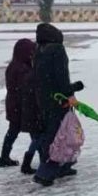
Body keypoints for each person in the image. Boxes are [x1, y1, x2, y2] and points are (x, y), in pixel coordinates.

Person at [33, 24, 84, 187]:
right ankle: (45, 173)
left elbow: (42, 78)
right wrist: (73, 89)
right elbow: (61, 77)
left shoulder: (39, 51)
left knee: (52, 134)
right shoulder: (57, 50)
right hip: (58, 101)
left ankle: (64, 166)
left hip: (42, 100)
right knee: (60, 136)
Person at [1, 39, 41, 172]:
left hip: (14, 104)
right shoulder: (22, 68)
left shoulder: (14, 65)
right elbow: (27, 87)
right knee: (34, 131)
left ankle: (4, 157)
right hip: (21, 105)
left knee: (13, 131)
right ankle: (34, 161)